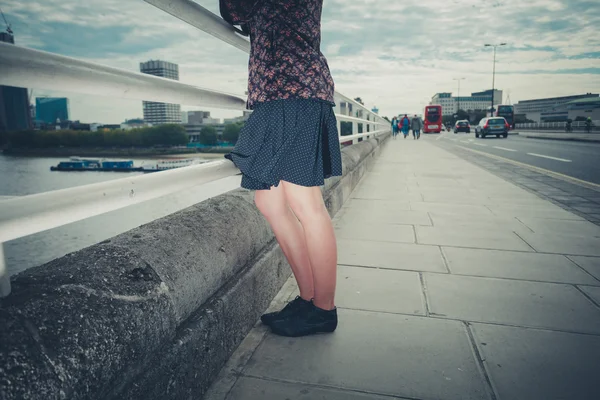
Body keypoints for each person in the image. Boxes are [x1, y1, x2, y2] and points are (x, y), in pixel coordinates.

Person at [220, 0, 341, 338]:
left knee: (306, 205)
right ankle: (308, 299)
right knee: (270, 202)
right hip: (278, 95)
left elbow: (233, 9)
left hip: (294, 92)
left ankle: (323, 310)